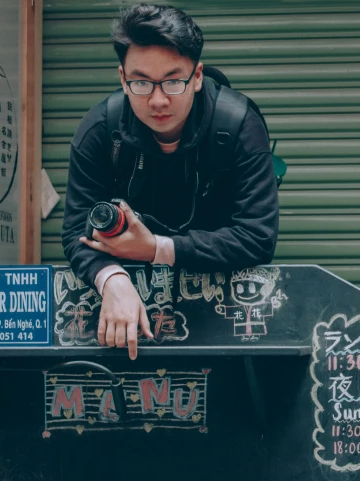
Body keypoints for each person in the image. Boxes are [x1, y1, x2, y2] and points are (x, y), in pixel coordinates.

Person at [61, 4, 279, 360]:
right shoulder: (100, 130)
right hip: (126, 314)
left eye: (173, 81)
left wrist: (155, 249)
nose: (158, 99)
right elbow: (75, 231)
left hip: (224, 311)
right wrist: (111, 280)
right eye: (141, 82)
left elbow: (257, 236)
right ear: (122, 78)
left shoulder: (239, 125)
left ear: (197, 76)